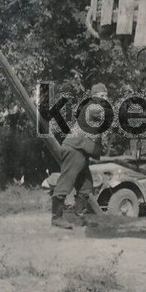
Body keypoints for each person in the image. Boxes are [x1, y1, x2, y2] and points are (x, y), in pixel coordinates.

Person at [51, 82, 110, 229]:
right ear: (94, 97)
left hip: (81, 151)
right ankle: (56, 218)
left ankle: (80, 218)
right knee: (66, 183)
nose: (105, 98)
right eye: (102, 96)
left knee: (86, 186)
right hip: (75, 149)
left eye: (106, 95)